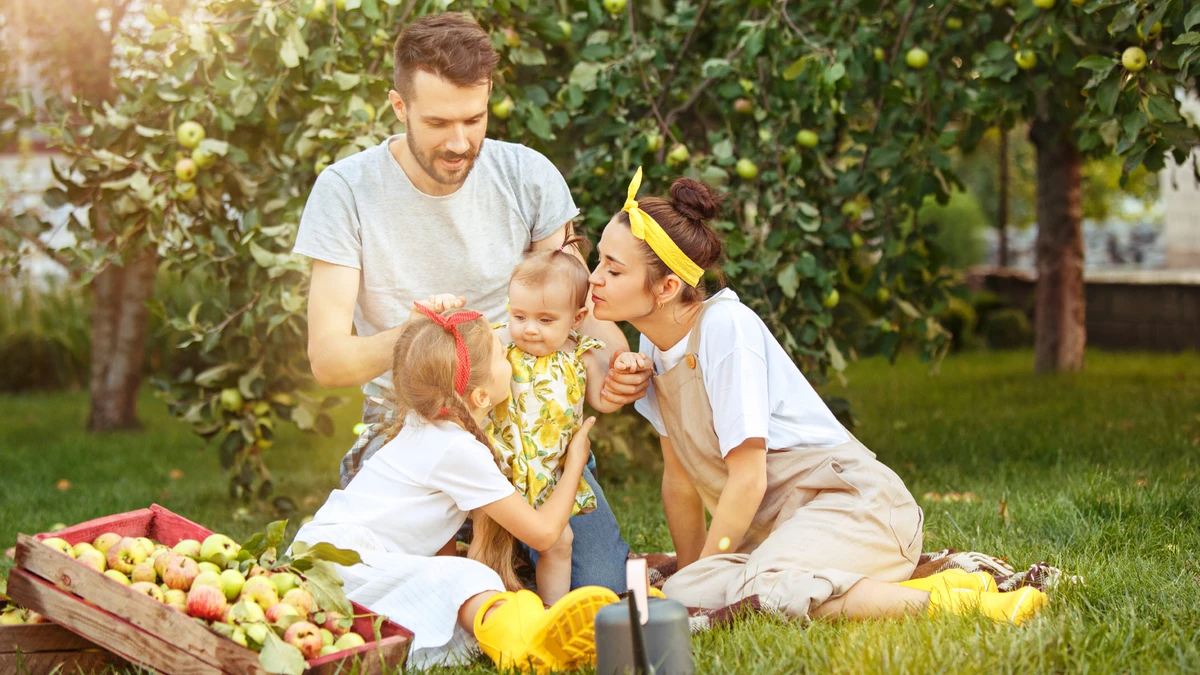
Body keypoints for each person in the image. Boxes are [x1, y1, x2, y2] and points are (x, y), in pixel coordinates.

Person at [586, 168, 1049, 624]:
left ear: (667, 288)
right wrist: (693, 579)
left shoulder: (727, 328)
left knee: (759, 587)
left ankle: (963, 603)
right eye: (599, 261)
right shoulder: (653, 347)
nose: (594, 278)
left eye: (613, 268)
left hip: (857, 507)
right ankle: (838, 587)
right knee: (689, 588)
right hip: (784, 533)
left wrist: (710, 572)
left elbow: (748, 480)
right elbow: (679, 481)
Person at [292, 11, 642, 592]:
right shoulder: (345, 190)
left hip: (531, 418)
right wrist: (420, 337)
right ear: (398, 107)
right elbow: (329, 361)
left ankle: (509, 561)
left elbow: (584, 312)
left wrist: (609, 370)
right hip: (411, 424)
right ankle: (488, 564)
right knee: (351, 588)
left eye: (473, 119)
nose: (459, 143)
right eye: (437, 122)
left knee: (598, 593)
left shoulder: (528, 176)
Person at [292, 303, 618, 670]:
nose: (510, 357)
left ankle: (524, 621)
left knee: (453, 579)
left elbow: (435, 539)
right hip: (342, 566)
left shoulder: (425, 425)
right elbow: (543, 534)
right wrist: (575, 460)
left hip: (319, 556)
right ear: (480, 396)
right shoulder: (458, 449)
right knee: (472, 576)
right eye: (501, 354)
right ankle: (529, 642)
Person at [479, 238, 649, 603]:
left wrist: (623, 367)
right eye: (519, 316)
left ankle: (552, 609)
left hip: (555, 475)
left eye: (545, 320)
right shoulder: (500, 344)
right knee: (488, 543)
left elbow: (603, 399)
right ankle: (492, 605)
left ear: (577, 319)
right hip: (502, 472)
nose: (529, 329)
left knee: (563, 543)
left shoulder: (579, 354)